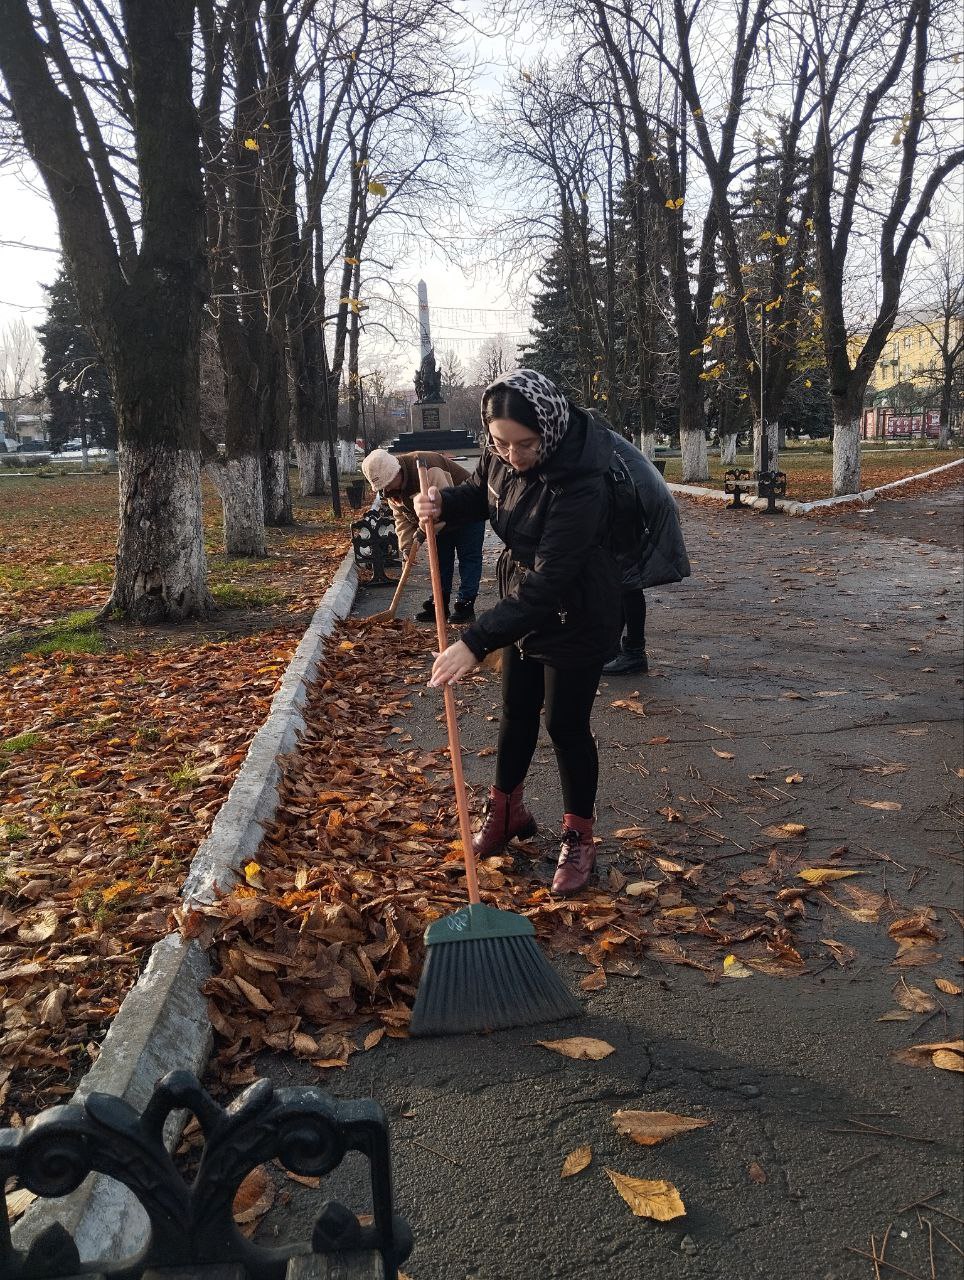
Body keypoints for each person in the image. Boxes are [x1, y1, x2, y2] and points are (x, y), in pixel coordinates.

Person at [413, 368, 621, 896]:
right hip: (523, 600)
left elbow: (550, 583)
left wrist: (475, 640)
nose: (513, 456)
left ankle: (579, 837)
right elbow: (483, 494)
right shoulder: (499, 455)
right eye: (501, 443)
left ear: (548, 429)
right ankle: (507, 812)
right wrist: (441, 504)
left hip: (576, 609)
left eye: (525, 444)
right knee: (516, 712)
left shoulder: (582, 482)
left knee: (565, 725)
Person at [601, 429, 691, 676]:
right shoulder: (602, 438)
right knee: (622, 581)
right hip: (639, 505)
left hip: (637, 510)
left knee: (629, 581)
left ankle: (634, 653)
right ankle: (613, 648)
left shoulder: (593, 440)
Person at [361, 448, 485, 622]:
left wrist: (420, 533)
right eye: (382, 486)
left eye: (388, 483)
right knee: (440, 559)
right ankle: (439, 604)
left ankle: (465, 604)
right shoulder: (391, 490)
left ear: (397, 471)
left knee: (468, 557)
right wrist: (406, 548)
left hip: (468, 509)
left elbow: (440, 509)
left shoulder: (427, 468)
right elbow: (401, 518)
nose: (386, 489)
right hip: (437, 523)